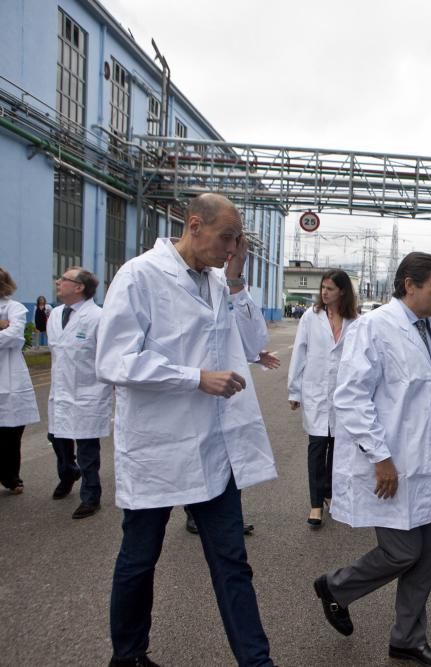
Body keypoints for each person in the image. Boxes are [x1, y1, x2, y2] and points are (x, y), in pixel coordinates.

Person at [96, 193, 277, 667]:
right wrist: (194, 377)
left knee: (232, 563)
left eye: (238, 240)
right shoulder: (140, 276)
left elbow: (255, 343)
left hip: (214, 449)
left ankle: (257, 662)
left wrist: (237, 281)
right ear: (194, 226)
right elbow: (115, 359)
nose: (233, 247)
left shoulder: (220, 281)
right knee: (139, 561)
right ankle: (129, 656)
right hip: (159, 445)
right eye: (227, 238)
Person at [313, 252, 431, 667]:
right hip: (390, 465)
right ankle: (335, 587)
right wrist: (381, 457)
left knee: (425, 557)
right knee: (401, 552)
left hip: (424, 462)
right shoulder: (376, 328)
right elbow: (352, 397)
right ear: (409, 285)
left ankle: (408, 639)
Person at [288, 268, 358, 528]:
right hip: (316, 392)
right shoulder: (311, 316)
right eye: (322, 288)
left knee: (338, 449)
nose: (324, 293)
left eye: (329, 289)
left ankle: (329, 492)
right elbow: (299, 353)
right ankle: (316, 504)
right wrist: (294, 390)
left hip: (343, 395)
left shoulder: (355, 320)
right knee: (317, 448)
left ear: (342, 291)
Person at [47, 266, 112, 519]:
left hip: (88, 392)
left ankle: (90, 496)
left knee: (87, 448)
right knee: (57, 440)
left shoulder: (98, 317)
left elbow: (107, 355)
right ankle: (67, 473)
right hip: (60, 390)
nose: (58, 282)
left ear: (79, 287)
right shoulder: (54, 315)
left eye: (64, 279)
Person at [0, 266, 40, 495]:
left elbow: (15, 337)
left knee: (11, 434)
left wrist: (6, 329)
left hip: (10, 378)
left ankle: (11, 477)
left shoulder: (14, 308)